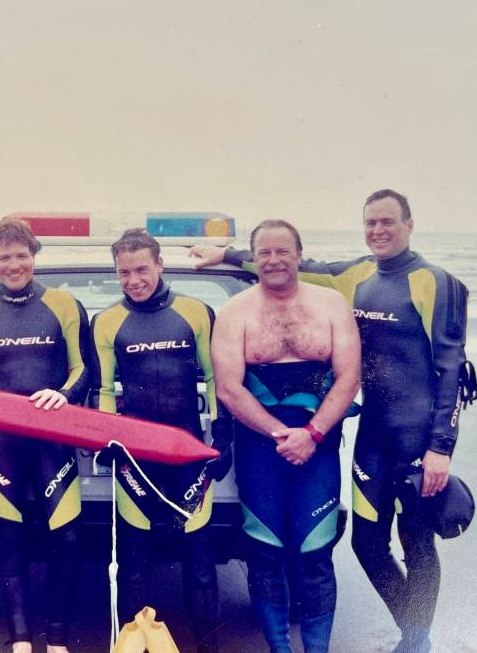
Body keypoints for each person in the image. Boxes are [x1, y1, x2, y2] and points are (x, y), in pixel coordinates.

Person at [194, 191, 470, 653]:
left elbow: (452, 368)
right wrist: (228, 254)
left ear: (409, 225)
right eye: (371, 223)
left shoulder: (436, 282)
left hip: (417, 435)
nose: (378, 231)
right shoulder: (358, 275)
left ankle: (417, 640)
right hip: (372, 434)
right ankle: (411, 634)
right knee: (366, 544)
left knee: (416, 542)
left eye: (388, 222)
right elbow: (290, 262)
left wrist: (440, 446)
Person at [210, 219, 360, 653]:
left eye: (282, 251)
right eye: (265, 253)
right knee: (265, 552)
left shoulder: (331, 305)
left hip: (319, 446)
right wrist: (283, 434)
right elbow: (229, 389)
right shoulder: (235, 312)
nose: (273, 260)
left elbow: (349, 378)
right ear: (254, 258)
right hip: (261, 448)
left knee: (317, 553)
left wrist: (311, 433)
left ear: (298, 254)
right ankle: (279, 648)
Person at [0, 217, 92, 653]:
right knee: (10, 540)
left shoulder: (64, 304)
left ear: (34, 256)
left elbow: (85, 368)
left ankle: (58, 640)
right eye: (4, 258)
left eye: (21, 255)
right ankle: (20, 640)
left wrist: (64, 394)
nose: (13, 265)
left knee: (67, 537)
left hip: (52, 439)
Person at [91, 228, 232, 653]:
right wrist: (108, 439)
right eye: (124, 272)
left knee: (200, 562)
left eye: (141, 270)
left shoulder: (196, 312)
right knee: (135, 564)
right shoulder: (107, 322)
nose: (133, 280)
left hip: (189, 455)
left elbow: (216, 378)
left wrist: (222, 436)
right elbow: (103, 389)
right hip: (136, 459)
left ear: (159, 265)